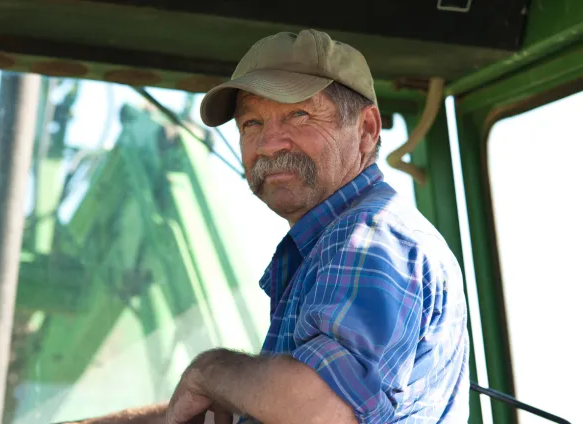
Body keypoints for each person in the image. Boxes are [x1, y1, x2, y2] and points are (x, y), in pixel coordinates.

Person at [66, 29, 470, 424]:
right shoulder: (327, 244)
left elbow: (322, 412)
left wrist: (207, 371)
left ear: (366, 130)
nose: (269, 143)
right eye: (251, 124)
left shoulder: (369, 238)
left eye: (299, 114)